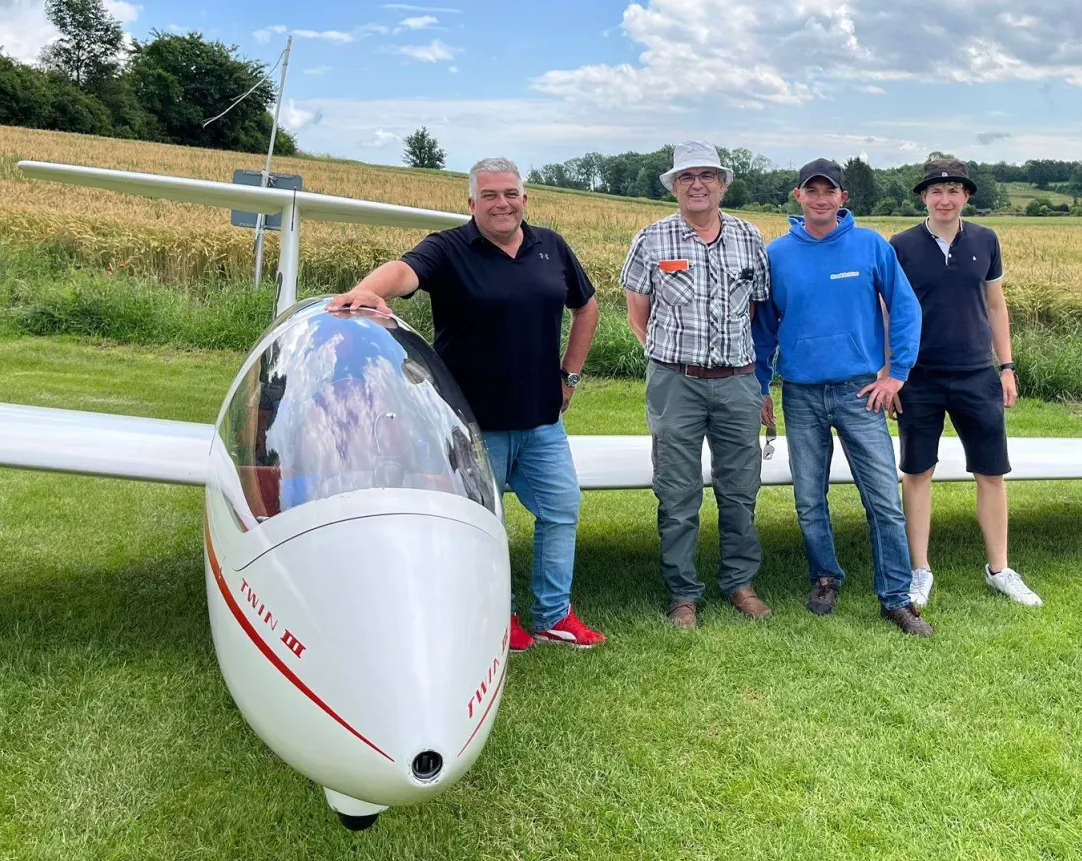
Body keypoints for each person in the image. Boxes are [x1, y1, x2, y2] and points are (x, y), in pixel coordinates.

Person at [327, 157, 607, 651]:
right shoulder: (449, 249)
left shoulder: (552, 248)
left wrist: (570, 374)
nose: (503, 203)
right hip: (471, 425)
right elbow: (404, 271)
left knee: (562, 510)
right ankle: (495, 616)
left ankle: (553, 614)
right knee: (480, 522)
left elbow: (586, 306)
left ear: (525, 199)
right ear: (471, 203)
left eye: (511, 194)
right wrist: (367, 292)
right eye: (491, 195)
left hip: (542, 421)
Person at [754, 158, 931, 636]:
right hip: (801, 393)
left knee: (883, 500)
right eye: (811, 190)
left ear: (842, 198)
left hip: (861, 393)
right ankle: (825, 576)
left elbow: (905, 306)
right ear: (798, 197)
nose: (820, 198)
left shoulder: (870, 245)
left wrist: (897, 373)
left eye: (828, 191)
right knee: (810, 498)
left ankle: (896, 598)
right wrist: (759, 384)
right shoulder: (778, 254)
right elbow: (765, 328)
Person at [620, 141, 774, 630]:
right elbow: (637, 315)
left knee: (740, 488)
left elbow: (755, 312)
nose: (697, 184)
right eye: (686, 177)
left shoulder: (750, 239)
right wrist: (671, 360)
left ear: (723, 184)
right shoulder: (652, 240)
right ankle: (683, 593)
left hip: (737, 383)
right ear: (674, 187)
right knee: (677, 491)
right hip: (675, 383)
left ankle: (739, 583)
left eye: (707, 175)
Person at [890, 158, 1042, 609]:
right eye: (936, 191)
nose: (944, 199)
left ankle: (999, 569)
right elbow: (888, 313)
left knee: (990, 472)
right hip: (918, 377)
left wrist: (1007, 366)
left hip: (977, 373)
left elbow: (996, 306)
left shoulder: (985, 240)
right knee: (917, 473)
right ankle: (920, 571)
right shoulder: (901, 246)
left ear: (966, 196)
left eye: (953, 190)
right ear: (923, 197)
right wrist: (890, 373)